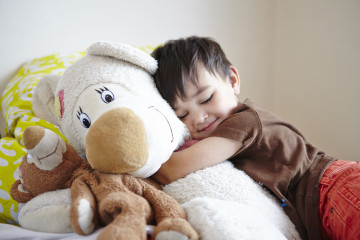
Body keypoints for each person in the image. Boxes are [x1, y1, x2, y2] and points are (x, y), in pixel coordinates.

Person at [150, 36, 360, 240]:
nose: (198, 118)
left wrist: (136, 159)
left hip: (335, 188)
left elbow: (173, 170)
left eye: (206, 98)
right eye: (182, 115)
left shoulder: (245, 121)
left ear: (232, 81)